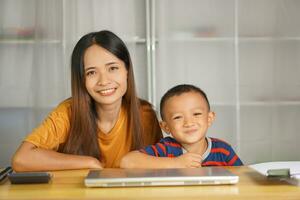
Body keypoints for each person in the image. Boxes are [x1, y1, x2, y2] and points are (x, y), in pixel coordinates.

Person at [11, 30, 162, 171]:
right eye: (91, 72)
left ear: (127, 71)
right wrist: (89, 162)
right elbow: (21, 159)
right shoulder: (68, 112)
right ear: (81, 79)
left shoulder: (145, 114)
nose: (104, 81)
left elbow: (162, 165)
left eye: (112, 68)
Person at [120, 84, 243, 168]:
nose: (188, 123)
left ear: (209, 118)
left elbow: (244, 176)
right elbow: (127, 162)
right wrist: (175, 163)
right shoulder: (166, 149)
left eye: (196, 114)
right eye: (178, 117)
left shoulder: (223, 150)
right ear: (165, 127)